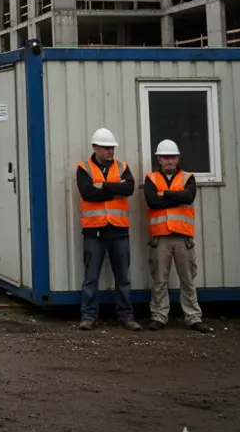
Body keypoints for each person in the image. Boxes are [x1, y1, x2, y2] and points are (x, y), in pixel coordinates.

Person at [76, 128, 142, 331]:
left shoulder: (123, 167)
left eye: (112, 148)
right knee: (91, 278)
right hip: (94, 233)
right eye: (106, 148)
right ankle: (89, 316)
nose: (110, 152)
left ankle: (126, 316)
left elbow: (128, 189)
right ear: (95, 148)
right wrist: (115, 189)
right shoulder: (84, 168)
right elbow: (87, 193)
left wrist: (102, 186)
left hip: (118, 231)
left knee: (123, 279)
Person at [144, 139, 212, 333]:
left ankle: (193, 317)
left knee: (187, 279)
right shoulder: (151, 178)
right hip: (160, 238)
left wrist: (163, 194)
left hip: (183, 237)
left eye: (173, 157)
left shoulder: (188, 178)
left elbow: (188, 197)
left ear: (178, 158)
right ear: (159, 159)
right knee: (159, 280)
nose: (169, 161)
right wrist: (176, 197)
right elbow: (152, 202)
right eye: (165, 157)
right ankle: (158, 316)